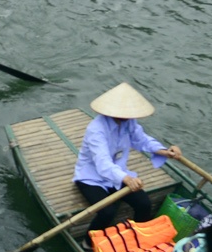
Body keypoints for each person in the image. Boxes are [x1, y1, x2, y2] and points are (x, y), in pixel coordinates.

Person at [71, 82, 181, 230]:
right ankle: (89, 241)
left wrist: (164, 151)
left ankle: (139, 235)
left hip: (118, 173)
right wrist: (126, 178)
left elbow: (142, 140)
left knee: (144, 204)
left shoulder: (129, 122)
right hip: (92, 177)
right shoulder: (96, 130)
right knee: (107, 212)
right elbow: (103, 162)